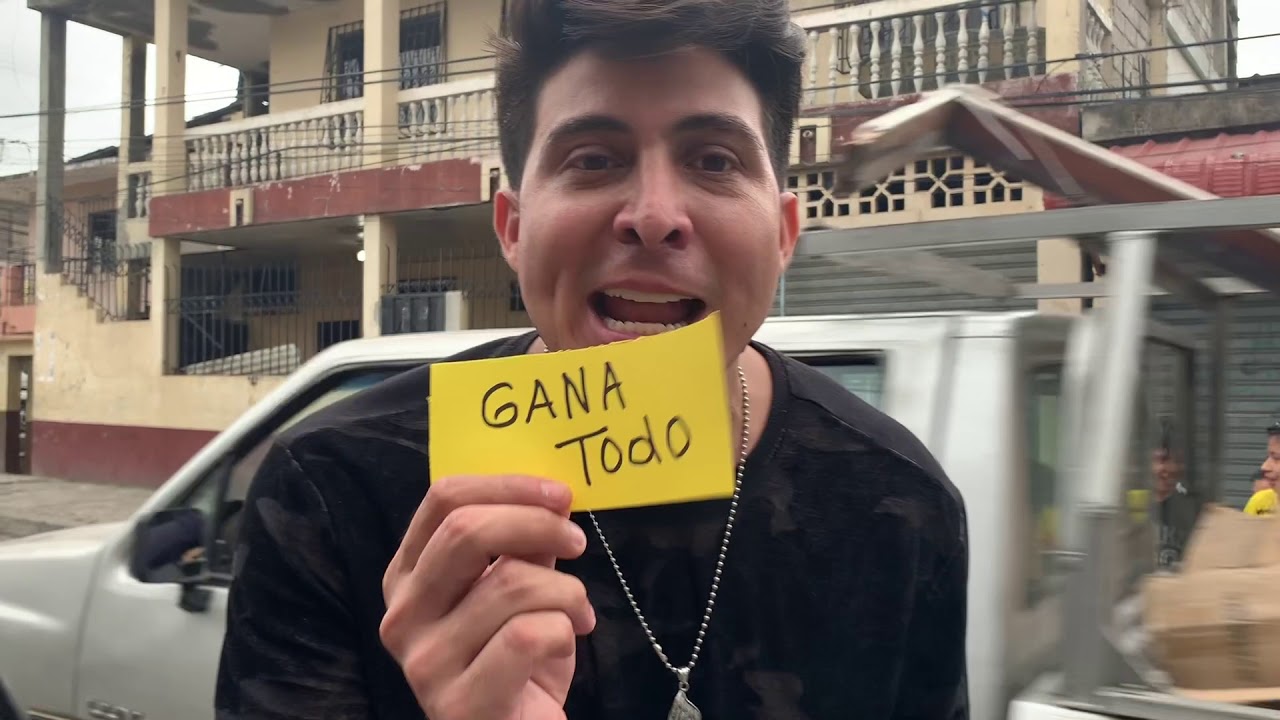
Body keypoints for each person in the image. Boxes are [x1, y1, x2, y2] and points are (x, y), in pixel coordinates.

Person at [214, 1, 969, 718]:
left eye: (713, 159)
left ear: (782, 233)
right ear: (513, 229)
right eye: (594, 159)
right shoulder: (332, 490)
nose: (654, 217)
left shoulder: (902, 506)